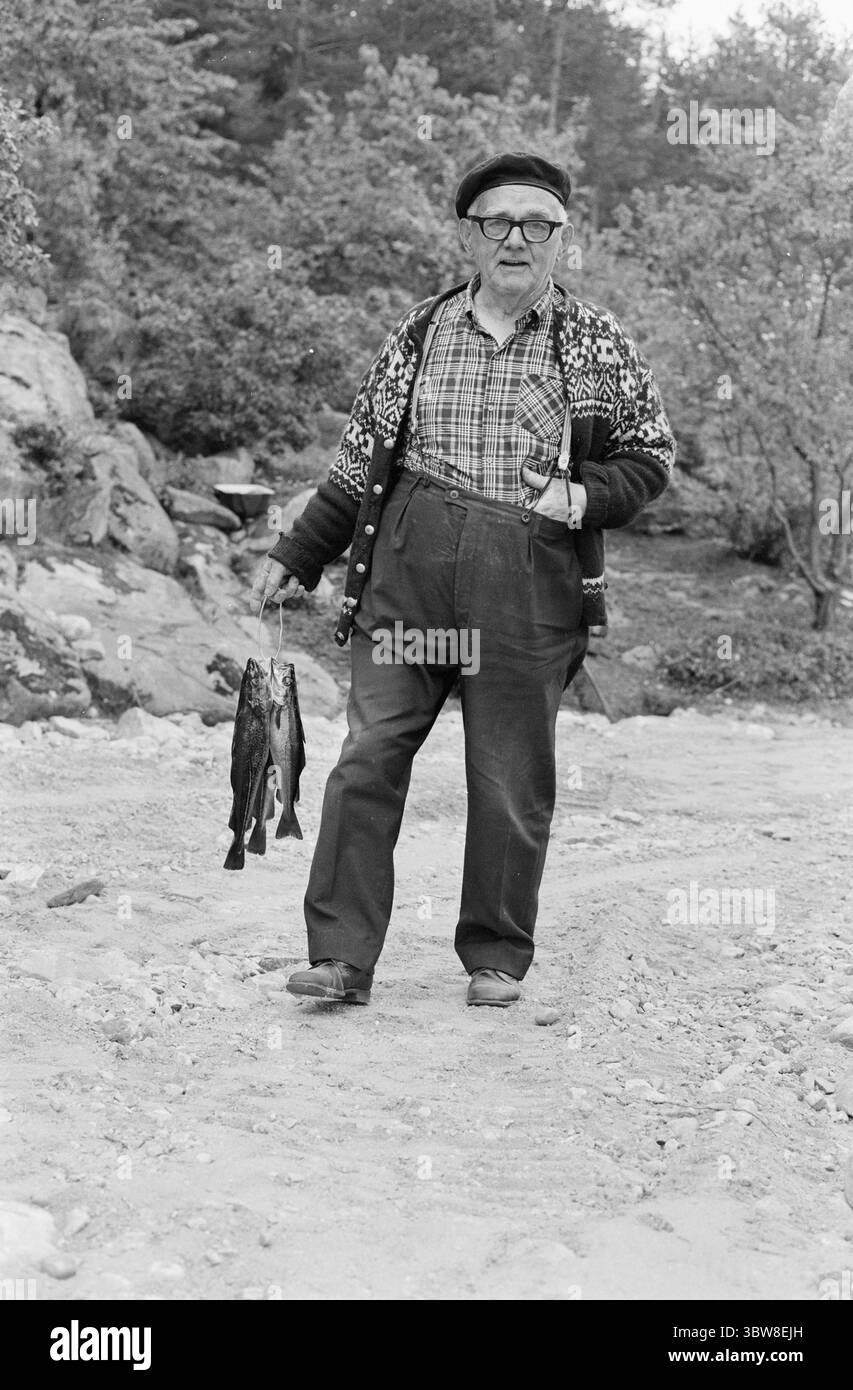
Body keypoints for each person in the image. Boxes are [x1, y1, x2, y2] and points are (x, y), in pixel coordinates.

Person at [250, 151, 676, 1008]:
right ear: (466, 235)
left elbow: (651, 458)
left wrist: (583, 493)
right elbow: (359, 463)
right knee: (368, 755)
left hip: (527, 578)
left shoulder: (596, 341)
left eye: (536, 223)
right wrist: (297, 554)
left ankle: (494, 955)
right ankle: (339, 955)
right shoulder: (418, 331)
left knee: (508, 774)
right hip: (409, 573)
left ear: (560, 236)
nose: (515, 238)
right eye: (495, 221)